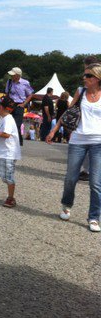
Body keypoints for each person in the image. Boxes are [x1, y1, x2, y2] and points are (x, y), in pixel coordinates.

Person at [47, 63, 101, 233]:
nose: (84, 78)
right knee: (71, 178)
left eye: (88, 76)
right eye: (84, 75)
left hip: (98, 142)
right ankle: (66, 206)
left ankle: (94, 217)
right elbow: (68, 113)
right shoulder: (80, 91)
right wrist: (54, 130)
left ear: (97, 78)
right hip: (78, 140)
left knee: (96, 183)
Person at [4, 67, 34, 146]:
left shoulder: (25, 83)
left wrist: (24, 104)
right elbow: (7, 93)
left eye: (13, 75)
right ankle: (12, 141)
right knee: (8, 123)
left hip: (19, 105)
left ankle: (17, 142)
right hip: (10, 105)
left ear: (18, 75)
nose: (11, 76)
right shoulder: (9, 82)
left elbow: (30, 94)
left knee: (17, 124)